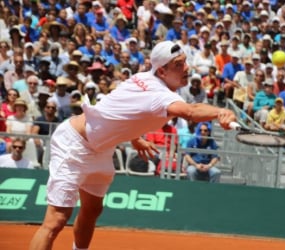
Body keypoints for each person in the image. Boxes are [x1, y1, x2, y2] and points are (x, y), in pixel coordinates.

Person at [29, 41, 236, 250]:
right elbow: (191, 111)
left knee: (92, 210)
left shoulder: (146, 78)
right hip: (74, 144)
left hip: (101, 149)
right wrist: (220, 113)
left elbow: (122, 109)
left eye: (185, 63)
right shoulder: (159, 94)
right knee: (56, 220)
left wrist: (136, 138)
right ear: (162, 71)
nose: (187, 69)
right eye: (179, 65)